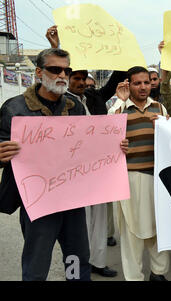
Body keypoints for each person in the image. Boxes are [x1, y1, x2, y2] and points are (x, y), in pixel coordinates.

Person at [0, 48, 107, 281]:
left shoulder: (74, 106)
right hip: (38, 202)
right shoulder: (14, 108)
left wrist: (113, 149)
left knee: (77, 258)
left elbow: (87, 145)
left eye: (66, 70)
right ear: (39, 72)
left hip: (72, 200)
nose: (62, 75)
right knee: (36, 265)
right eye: (55, 69)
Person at [46, 25, 127, 278]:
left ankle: (97, 263)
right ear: (67, 78)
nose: (80, 82)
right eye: (76, 78)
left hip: (99, 169)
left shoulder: (95, 97)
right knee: (76, 227)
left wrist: (118, 49)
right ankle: (78, 267)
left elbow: (117, 76)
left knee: (99, 221)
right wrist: (56, 46)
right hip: (72, 173)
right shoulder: (60, 100)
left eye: (84, 78)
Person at [112, 66, 170, 281]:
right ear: (128, 84)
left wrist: (164, 129)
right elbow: (108, 140)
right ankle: (134, 276)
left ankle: (159, 272)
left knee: (160, 227)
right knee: (131, 231)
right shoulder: (118, 109)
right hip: (130, 178)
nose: (143, 87)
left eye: (146, 82)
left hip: (158, 178)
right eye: (137, 83)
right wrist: (120, 102)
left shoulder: (160, 109)